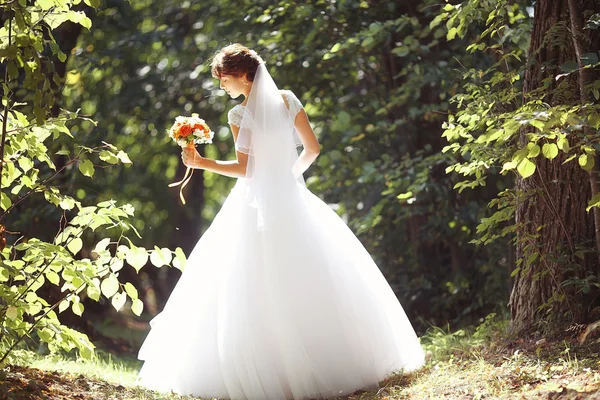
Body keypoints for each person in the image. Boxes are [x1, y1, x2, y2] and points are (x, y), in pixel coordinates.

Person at [137, 43, 425, 400]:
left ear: (242, 75)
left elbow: (246, 169)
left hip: (253, 204)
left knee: (248, 279)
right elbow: (313, 149)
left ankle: (268, 370)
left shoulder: (239, 115)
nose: (222, 87)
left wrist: (201, 164)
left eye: (224, 80)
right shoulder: (288, 100)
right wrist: (289, 177)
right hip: (292, 198)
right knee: (308, 274)